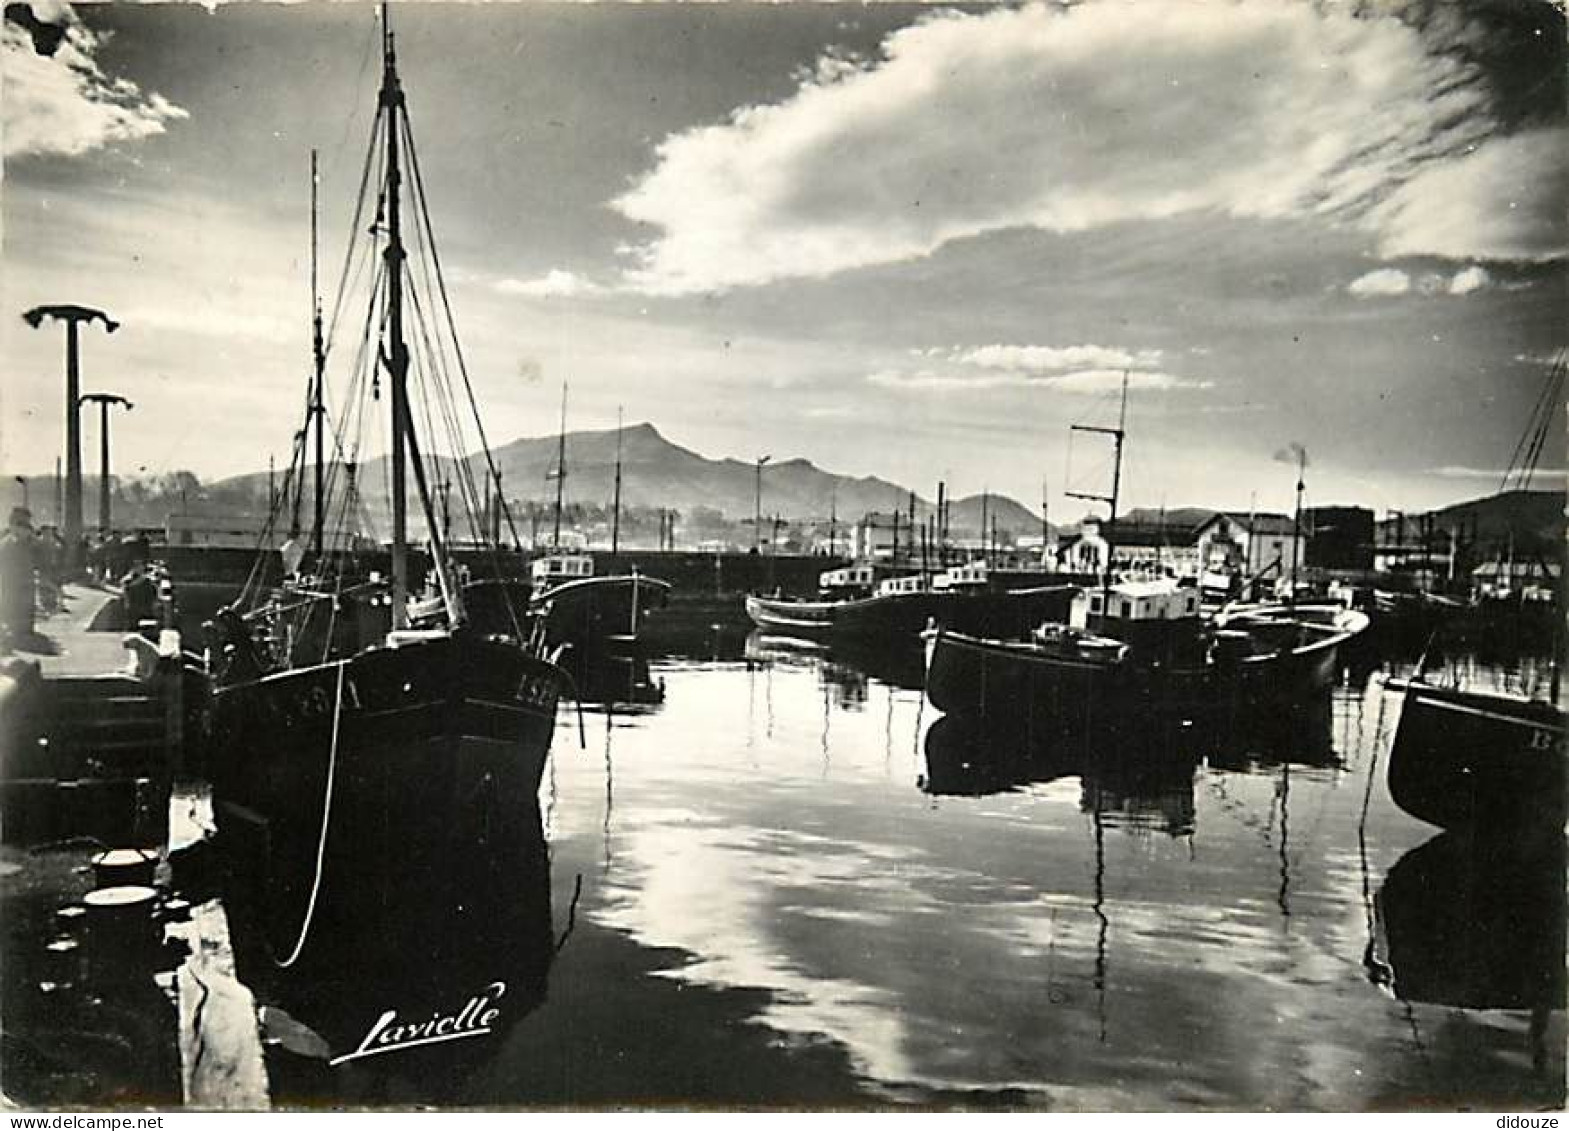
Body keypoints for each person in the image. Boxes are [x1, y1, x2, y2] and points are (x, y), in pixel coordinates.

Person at [0, 507, 38, 646]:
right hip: (13, 587)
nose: (27, 529)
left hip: (24, 587)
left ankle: (22, 633)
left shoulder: (24, 544)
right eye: (22, 525)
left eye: (27, 525)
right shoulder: (8, 544)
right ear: (13, 525)